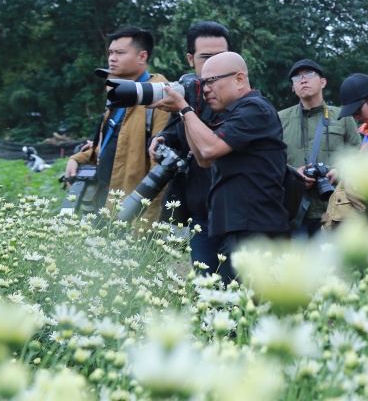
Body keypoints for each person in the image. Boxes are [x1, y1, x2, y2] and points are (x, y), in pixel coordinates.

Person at [153, 52, 289, 283]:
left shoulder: (255, 108)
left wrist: (185, 109)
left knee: (247, 307)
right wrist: (187, 113)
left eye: (210, 81)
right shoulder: (234, 113)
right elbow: (203, 159)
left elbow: (209, 149)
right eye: (202, 83)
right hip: (235, 225)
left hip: (254, 226)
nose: (204, 89)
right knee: (228, 304)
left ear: (239, 78)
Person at [65, 26, 171, 224]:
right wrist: (78, 158)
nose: (112, 59)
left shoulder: (160, 95)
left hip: (131, 212)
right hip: (103, 202)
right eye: (111, 53)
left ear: (142, 57)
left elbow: (162, 167)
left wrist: (145, 222)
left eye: (120, 53)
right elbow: (108, 143)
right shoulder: (119, 93)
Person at [150, 21, 230, 274]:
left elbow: (209, 152)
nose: (214, 65)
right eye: (206, 57)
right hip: (199, 213)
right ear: (190, 59)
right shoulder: (186, 95)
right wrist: (162, 139)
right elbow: (176, 131)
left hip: (236, 214)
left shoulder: (245, 102)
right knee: (206, 290)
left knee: (239, 293)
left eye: (222, 57)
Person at [278, 58, 361, 237]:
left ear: (323, 82)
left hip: (334, 208)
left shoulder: (342, 117)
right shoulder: (280, 119)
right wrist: (294, 176)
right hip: (295, 210)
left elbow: (357, 154)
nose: (303, 80)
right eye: (296, 78)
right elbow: (272, 161)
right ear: (293, 87)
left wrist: (340, 171)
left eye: (309, 74)